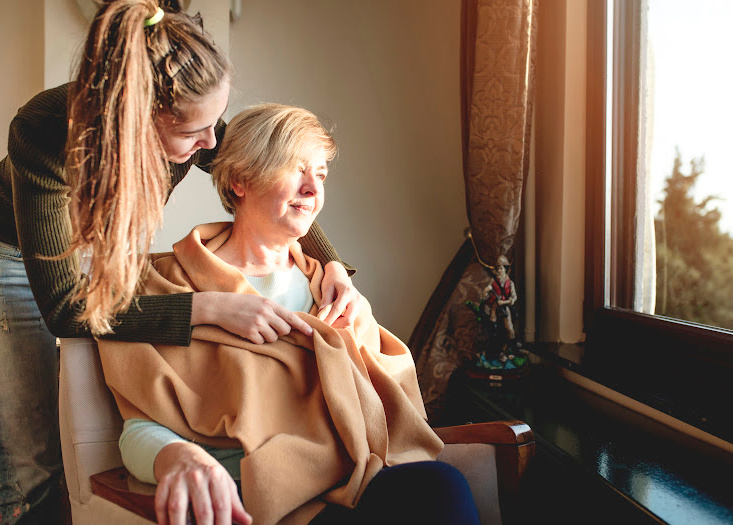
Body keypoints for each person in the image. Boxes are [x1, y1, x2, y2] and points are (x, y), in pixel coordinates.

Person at [0, 2, 360, 523]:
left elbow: (252, 168)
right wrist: (205, 308)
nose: (210, 144)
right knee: (31, 459)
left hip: (84, 238)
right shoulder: (44, 133)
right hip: (8, 247)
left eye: (216, 123)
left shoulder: (196, 116)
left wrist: (331, 265)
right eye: (195, 133)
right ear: (138, 120)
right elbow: (64, 309)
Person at [99, 104, 481, 525]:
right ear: (240, 180)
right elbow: (139, 427)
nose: (313, 190)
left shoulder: (333, 291)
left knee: (441, 486)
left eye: (320, 174)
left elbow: (390, 415)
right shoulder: (166, 287)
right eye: (295, 169)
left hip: (352, 482)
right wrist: (177, 455)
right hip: (253, 498)